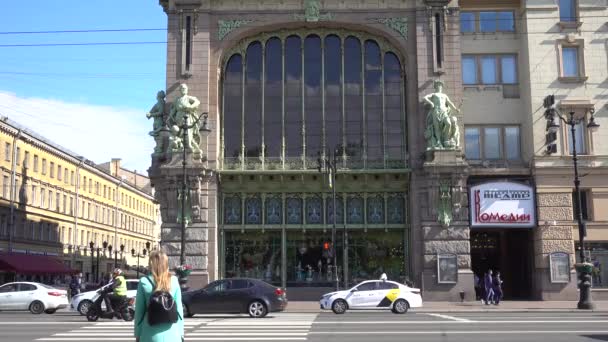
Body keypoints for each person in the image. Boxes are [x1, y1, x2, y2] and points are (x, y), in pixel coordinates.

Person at [134, 250, 184, 342]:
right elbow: (179, 310)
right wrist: (181, 333)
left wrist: (137, 334)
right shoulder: (174, 280)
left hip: (149, 334)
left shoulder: (144, 281)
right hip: (173, 334)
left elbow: (139, 312)